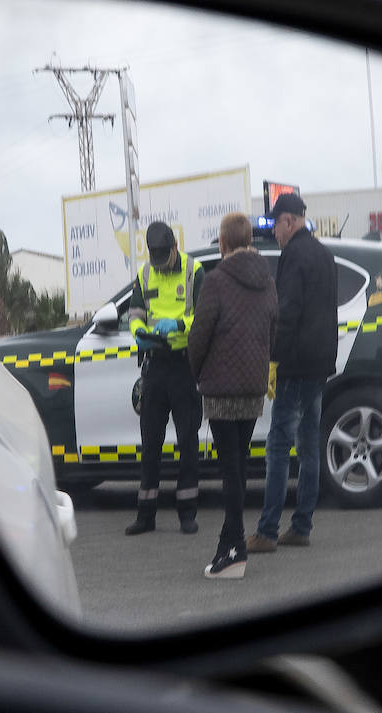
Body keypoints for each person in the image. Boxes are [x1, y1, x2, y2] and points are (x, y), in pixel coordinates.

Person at [187, 212, 277, 579]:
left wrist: (196, 373)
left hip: (221, 387)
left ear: (222, 243)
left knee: (230, 470)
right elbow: (274, 327)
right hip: (252, 385)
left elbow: (200, 334)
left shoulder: (217, 280)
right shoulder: (267, 279)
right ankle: (228, 544)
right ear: (250, 240)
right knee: (238, 465)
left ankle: (235, 550)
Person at [248, 192, 337, 552]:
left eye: (276, 228)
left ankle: (267, 531)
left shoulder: (294, 256)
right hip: (319, 364)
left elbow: (287, 313)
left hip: (294, 364)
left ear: (289, 221)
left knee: (278, 446)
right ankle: (301, 526)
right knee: (310, 447)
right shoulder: (324, 254)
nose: (276, 236)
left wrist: (272, 359)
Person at [124, 220, 205, 535]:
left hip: (184, 366)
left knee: (187, 439)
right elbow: (134, 313)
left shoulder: (193, 271)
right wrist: (139, 333)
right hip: (154, 365)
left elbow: (202, 313)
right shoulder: (145, 274)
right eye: (156, 259)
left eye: (166, 258)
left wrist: (179, 326)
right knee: (151, 442)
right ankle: (146, 515)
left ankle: (187, 512)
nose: (161, 264)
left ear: (175, 247)